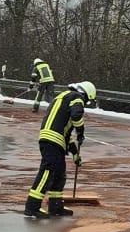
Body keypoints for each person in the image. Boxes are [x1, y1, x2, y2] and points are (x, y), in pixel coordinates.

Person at [24, 79, 95, 217]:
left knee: (59, 173)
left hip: (54, 139)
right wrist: (80, 132)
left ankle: (55, 206)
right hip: (53, 139)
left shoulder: (63, 97)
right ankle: (32, 206)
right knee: (47, 172)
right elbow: (77, 116)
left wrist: (75, 154)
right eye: (87, 101)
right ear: (86, 94)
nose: (85, 103)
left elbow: (66, 134)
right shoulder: (77, 97)